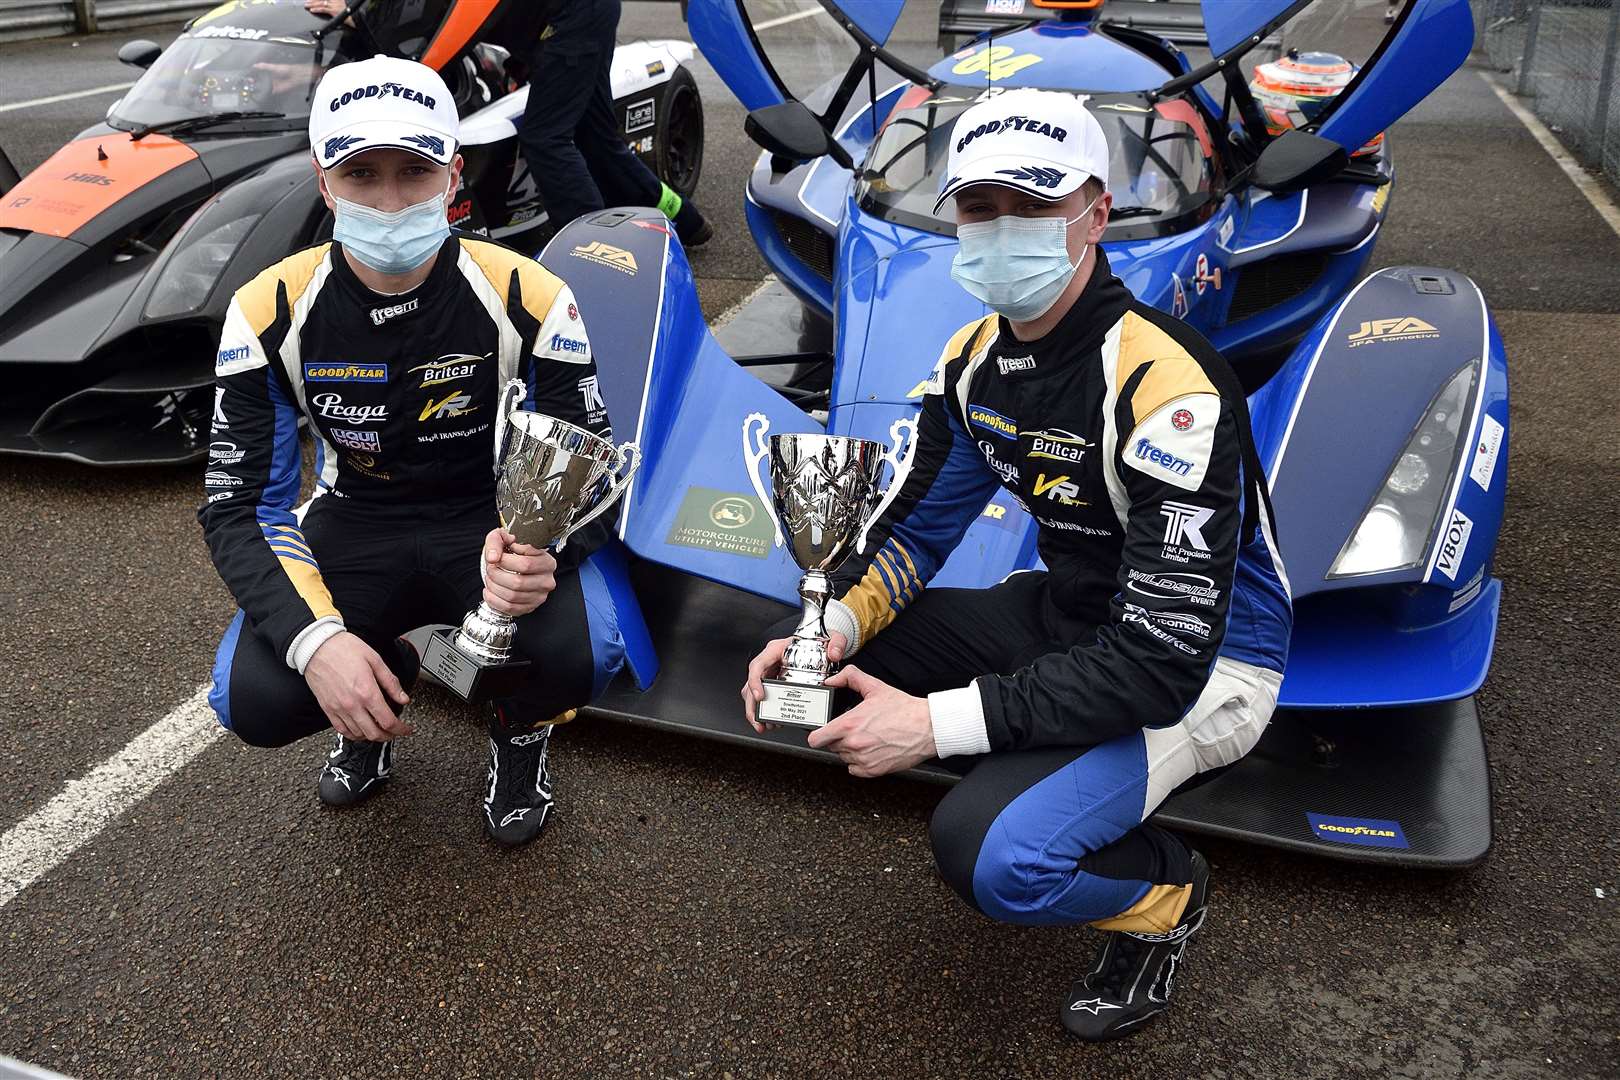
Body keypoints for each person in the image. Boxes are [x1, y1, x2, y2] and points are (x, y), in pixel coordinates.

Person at [741, 88, 1292, 1040]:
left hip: (1206, 667)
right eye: (980, 206)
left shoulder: (1166, 384)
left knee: (993, 859)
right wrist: (823, 627)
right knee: (814, 685)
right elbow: (913, 536)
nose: (1002, 230)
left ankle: (1166, 896)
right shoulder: (970, 360)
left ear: (1094, 215)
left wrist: (935, 726)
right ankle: (1049, 764)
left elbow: (1161, 662)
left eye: (1033, 206)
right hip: (1068, 615)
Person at [200, 56, 627, 847]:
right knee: (257, 697)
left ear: (454, 175)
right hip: (354, 520)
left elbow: (594, 464)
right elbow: (238, 503)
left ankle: (519, 730)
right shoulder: (267, 307)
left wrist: (548, 551)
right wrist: (319, 644)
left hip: (491, 523)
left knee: (580, 653)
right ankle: (366, 711)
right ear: (324, 182)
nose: (390, 201)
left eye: (415, 171)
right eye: (361, 173)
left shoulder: (530, 292)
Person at [495, 0, 712, 245]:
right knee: (599, 141)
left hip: (570, 17)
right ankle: (686, 219)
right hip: (587, 13)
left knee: (546, 137)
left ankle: (595, 250)